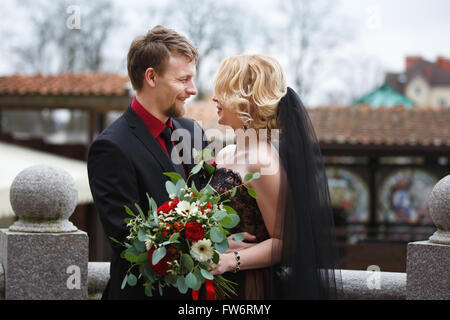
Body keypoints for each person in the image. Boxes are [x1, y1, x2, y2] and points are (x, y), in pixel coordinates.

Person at [87, 25, 209, 300]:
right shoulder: (110, 147)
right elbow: (129, 242)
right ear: (151, 77)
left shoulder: (192, 131)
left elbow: (212, 202)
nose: (193, 89)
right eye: (183, 79)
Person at [208, 54, 343, 299]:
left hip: (245, 287)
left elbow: (285, 241)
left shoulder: (262, 160)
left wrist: (230, 261)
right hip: (213, 283)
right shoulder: (226, 153)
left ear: (246, 99)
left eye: (223, 91)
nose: (214, 98)